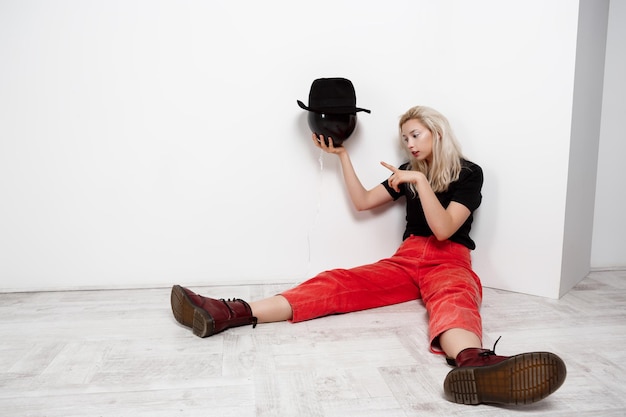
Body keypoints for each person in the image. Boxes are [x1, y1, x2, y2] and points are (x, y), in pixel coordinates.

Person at [170, 105, 566, 405]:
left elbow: (445, 229)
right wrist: (343, 157)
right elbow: (362, 202)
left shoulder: (468, 173)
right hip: (406, 258)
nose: (409, 146)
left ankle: (475, 366)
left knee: (454, 298)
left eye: (415, 136)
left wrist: (418, 182)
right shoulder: (408, 172)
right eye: (405, 141)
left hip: (450, 258)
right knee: (338, 283)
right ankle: (231, 313)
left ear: (437, 133)